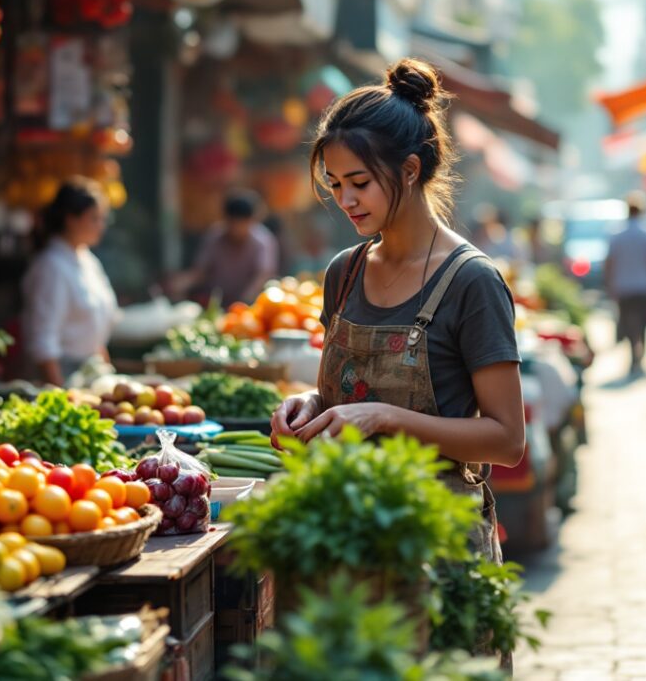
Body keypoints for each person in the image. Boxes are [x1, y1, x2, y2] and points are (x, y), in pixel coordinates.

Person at [269, 59, 526, 565]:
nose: (345, 199)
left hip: (438, 545)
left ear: (409, 171)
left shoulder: (471, 282)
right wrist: (311, 405)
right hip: (344, 537)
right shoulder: (344, 273)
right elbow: (351, 394)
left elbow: (507, 439)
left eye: (359, 182)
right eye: (335, 183)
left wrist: (385, 418)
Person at [21, 177, 118, 386]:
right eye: (94, 218)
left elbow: (95, 329)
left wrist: (107, 378)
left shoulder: (88, 260)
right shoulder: (51, 267)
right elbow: (43, 342)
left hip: (90, 374)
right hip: (62, 378)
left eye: (103, 219)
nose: (101, 226)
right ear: (71, 219)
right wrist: (63, 398)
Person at [604, 191, 646, 377]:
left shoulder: (616, 233)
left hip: (623, 286)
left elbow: (609, 262)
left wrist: (608, 284)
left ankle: (635, 356)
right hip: (645, 286)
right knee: (642, 324)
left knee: (629, 322)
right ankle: (639, 356)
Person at [177, 190, 279, 306]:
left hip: (249, 307)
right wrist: (182, 283)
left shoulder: (262, 241)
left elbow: (263, 275)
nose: (237, 229)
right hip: (216, 304)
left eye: (242, 223)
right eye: (233, 223)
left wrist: (243, 302)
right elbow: (201, 271)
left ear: (252, 220)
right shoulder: (214, 237)